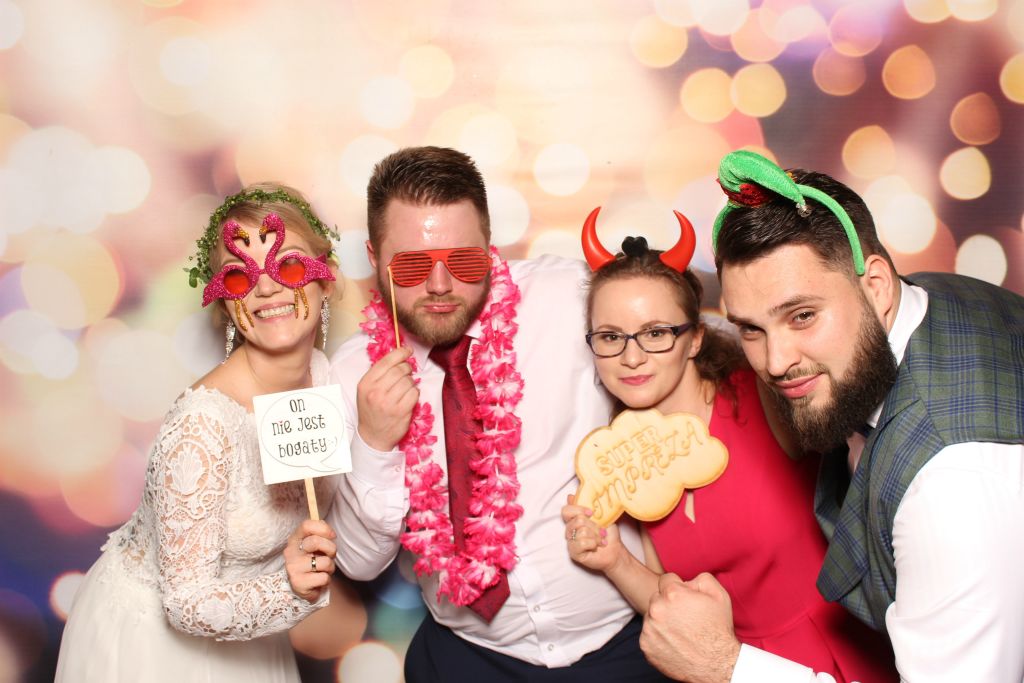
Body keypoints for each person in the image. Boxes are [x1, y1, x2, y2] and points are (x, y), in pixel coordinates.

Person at [638, 150, 1024, 682]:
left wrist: (725, 666)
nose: (776, 362)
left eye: (802, 316)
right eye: (751, 329)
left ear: (877, 286)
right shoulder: (923, 296)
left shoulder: (951, 488)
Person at [323, 146, 669, 682]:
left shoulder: (571, 297)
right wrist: (374, 443)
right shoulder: (350, 375)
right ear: (374, 257)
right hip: (470, 658)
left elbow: (686, 346)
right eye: (412, 265)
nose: (440, 286)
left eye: (464, 261)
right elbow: (359, 563)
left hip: (627, 641)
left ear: (490, 248)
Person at [561, 208, 896, 682]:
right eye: (610, 336)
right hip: (726, 669)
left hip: (844, 655)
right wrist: (613, 560)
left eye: (656, 333)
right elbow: (673, 608)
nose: (631, 357)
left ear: (695, 338)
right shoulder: (626, 461)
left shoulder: (766, 393)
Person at [55, 184, 353, 682]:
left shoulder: (323, 379)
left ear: (328, 278)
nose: (266, 289)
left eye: (289, 267)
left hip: (253, 640)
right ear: (223, 303)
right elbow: (185, 603)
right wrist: (291, 589)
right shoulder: (202, 425)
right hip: (155, 650)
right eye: (240, 276)